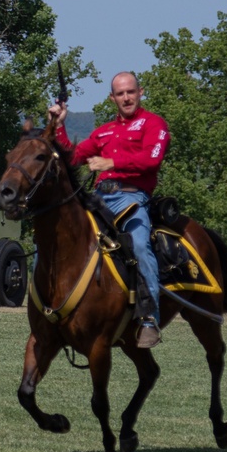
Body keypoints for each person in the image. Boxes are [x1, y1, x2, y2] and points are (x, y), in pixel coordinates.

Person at [48, 71, 169, 349]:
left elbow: (152, 160)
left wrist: (110, 163)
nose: (126, 97)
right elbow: (72, 156)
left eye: (130, 92)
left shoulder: (154, 124)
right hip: (99, 199)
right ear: (112, 98)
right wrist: (59, 124)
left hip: (132, 199)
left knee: (139, 245)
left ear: (140, 92)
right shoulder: (103, 131)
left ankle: (149, 318)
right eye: (120, 93)